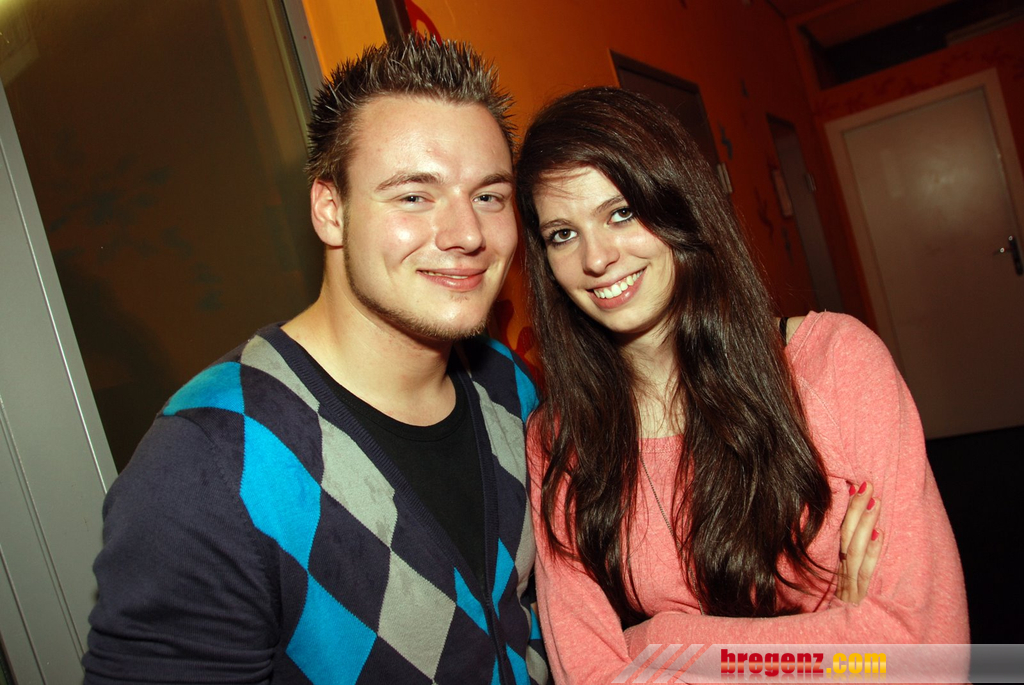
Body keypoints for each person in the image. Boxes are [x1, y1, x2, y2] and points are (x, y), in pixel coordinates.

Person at [84, 35, 548, 685]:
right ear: (330, 211)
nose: (468, 233)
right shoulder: (209, 460)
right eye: (414, 196)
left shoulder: (507, 384)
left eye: (489, 196)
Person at [515, 87, 968, 683]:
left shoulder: (834, 364)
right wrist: (843, 640)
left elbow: (926, 651)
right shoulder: (558, 441)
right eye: (562, 234)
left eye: (621, 212)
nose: (596, 258)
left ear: (679, 204)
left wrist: (660, 640)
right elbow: (592, 674)